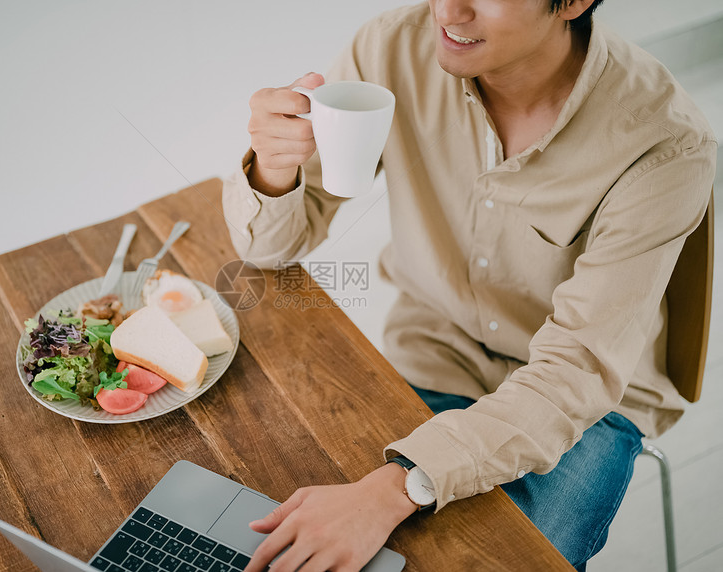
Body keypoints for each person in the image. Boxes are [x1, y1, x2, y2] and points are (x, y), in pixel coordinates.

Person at [222, 1, 717, 570]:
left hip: (584, 404)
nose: (448, 9)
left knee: (503, 560)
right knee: (290, 509)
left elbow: (574, 373)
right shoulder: (391, 50)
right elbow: (269, 249)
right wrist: (273, 165)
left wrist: (397, 486)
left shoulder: (663, 144)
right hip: (437, 351)